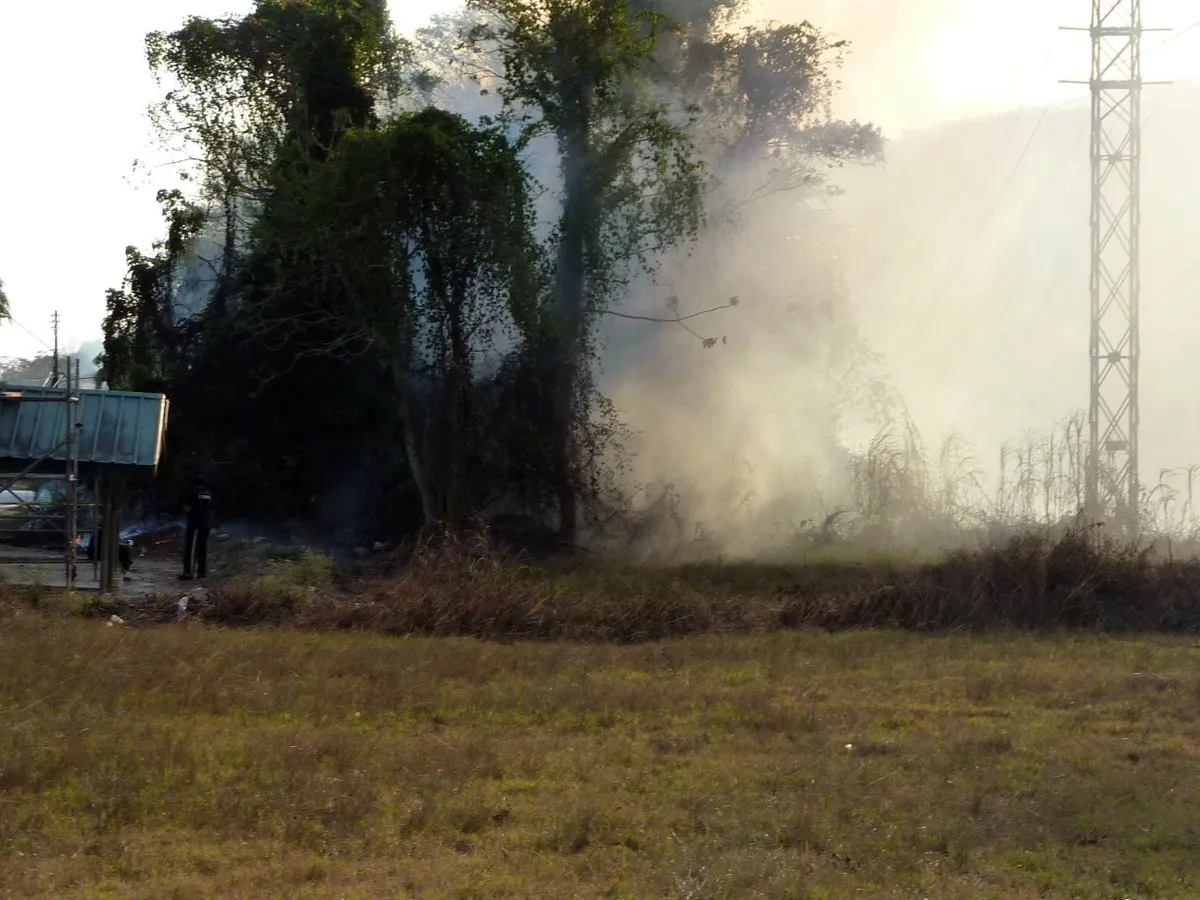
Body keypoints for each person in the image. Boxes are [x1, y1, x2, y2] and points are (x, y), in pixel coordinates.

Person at [180, 476, 213, 581]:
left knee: (191, 549)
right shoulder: (209, 494)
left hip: (194, 526)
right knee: (202, 549)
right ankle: (201, 572)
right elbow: (212, 510)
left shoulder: (193, 493)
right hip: (205, 525)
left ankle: (188, 573)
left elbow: (187, 508)